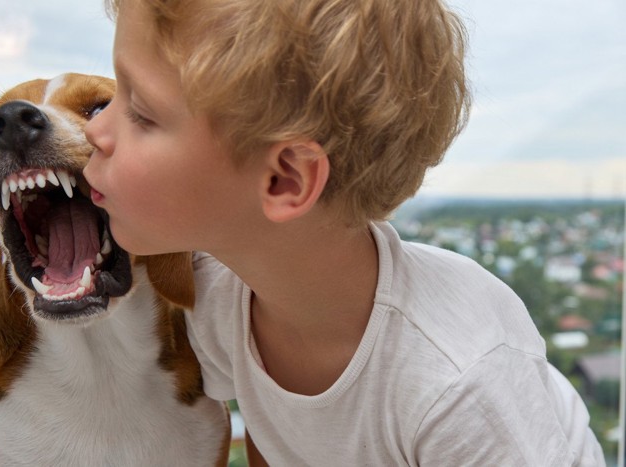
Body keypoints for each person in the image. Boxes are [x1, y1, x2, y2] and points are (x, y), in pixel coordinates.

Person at [83, 0, 606, 464]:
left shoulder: (458, 381)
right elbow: (278, 437)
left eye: (142, 113)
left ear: (285, 178)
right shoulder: (220, 300)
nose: (95, 130)